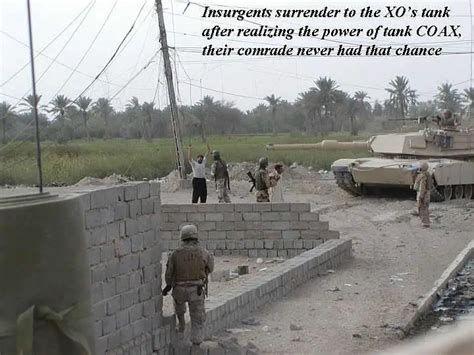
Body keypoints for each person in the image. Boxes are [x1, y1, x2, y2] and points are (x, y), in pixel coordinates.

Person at [163, 224, 214, 350]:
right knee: (197, 317)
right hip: (195, 290)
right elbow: (211, 267)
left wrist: (168, 286)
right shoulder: (203, 252)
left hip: (179, 290)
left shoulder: (175, 254)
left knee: (179, 310)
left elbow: (169, 274)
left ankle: (181, 328)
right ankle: (196, 345)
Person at [413, 161, 431, 227]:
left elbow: (422, 186)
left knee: (422, 208)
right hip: (427, 193)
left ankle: (426, 223)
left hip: (423, 193)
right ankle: (426, 221)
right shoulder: (427, 174)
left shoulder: (422, 176)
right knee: (425, 208)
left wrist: (421, 195)